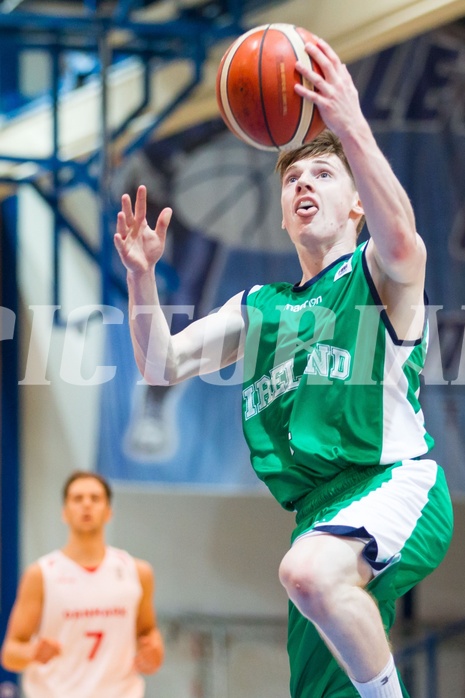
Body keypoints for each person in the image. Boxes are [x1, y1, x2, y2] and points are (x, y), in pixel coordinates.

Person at [113, 34, 453, 698]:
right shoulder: (260, 307)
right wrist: (141, 279)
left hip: (393, 484)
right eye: (293, 178)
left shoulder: (375, 273)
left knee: (305, 573)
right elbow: (160, 365)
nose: (303, 183)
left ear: (355, 205)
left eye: (322, 176)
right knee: (321, 678)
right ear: (279, 211)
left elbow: (404, 239)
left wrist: (349, 125)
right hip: (318, 514)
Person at [1, 471, 164, 698]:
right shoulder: (41, 574)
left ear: (109, 512)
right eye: (77, 499)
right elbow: (10, 654)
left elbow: (148, 631)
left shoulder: (137, 572)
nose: (86, 505)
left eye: (95, 498)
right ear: (64, 512)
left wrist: (154, 652)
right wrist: (32, 652)